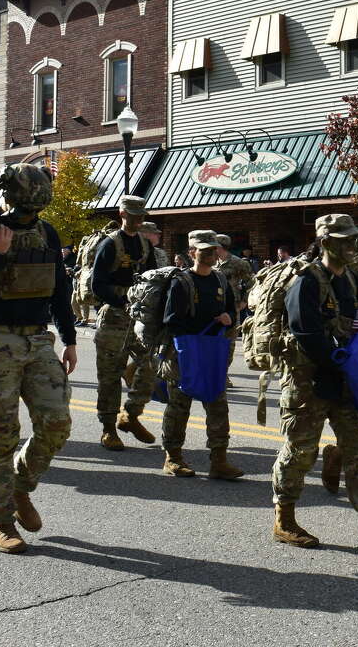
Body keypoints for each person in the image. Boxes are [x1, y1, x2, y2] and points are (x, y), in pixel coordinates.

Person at [271, 214, 358, 555]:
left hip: (344, 379)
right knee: (299, 452)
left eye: (353, 239)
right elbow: (305, 333)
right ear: (325, 242)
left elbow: (355, 318)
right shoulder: (305, 281)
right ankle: (284, 519)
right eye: (343, 240)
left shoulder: (348, 278)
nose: (351, 245)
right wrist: (339, 357)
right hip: (309, 382)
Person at [0, 163, 78, 554]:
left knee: (57, 424)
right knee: (1, 434)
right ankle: (1, 520)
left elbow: (59, 289)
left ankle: (21, 485)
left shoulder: (47, 232)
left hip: (39, 341)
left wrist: (70, 339)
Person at [158, 230, 244, 479]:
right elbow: (172, 321)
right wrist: (205, 325)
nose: (210, 254)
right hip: (184, 354)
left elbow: (231, 312)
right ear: (191, 252)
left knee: (218, 406)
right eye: (204, 250)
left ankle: (219, 461)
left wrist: (227, 320)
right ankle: (172, 458)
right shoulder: (181, 282)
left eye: (213, 249)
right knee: (178, 407)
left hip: (212, 352)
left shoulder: (220, 280)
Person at [91, 195, 158, 450]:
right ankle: (108, 429)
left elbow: (152, 277)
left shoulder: (144, 244)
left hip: (139, 318)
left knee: (151, 363)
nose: (137, 220)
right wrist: (124, 300)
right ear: (122, 214)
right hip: (114, 319)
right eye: (132, 215)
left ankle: (130, 414)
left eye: (140, 215)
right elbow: (98, 285)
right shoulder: (110, 245)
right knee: (109, 377)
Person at [214, 233, 254, 387]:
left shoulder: (238, 263)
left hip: (232, 308)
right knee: (214, 343)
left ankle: (223, 374)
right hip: (214, 309)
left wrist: (245, 301)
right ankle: (218, 375)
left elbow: (252, 282)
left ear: (220, 247)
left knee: (229, 345)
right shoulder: (211, 262)